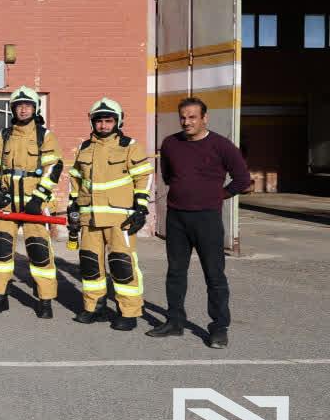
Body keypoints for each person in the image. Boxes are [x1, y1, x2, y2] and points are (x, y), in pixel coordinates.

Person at [147, 96, 251, 348]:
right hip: (177, 217)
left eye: (193, 117)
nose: (187, 122)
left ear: (205, 118)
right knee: (175, 273)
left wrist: (218, 195)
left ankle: (218, 328)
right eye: (183, 117)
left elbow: (242, 179)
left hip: (207, 218)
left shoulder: (221, 145)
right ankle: (174, 322)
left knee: (214, 275)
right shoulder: (170, 144)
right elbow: (169, 176)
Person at [66, 98, 153, 331]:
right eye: (99, 121)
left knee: (122, 265)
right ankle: (95, 307)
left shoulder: (129, 145)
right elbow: (75, 178)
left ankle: (129, 312)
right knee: (90, 264)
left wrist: (141, 207)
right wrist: (73, 204)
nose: (103, 126)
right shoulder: (85, 148)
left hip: (120, 219)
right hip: (89, 218)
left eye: (108, 121)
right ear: (93, 123)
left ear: (117, 121)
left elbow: (143, 176)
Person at [0, 86, 63, 318]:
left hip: (33, 204)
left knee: (39, 251)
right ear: (13, 109)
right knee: (0, 249)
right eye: (19, 105)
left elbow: (53, 167)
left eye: (27, 105)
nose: (23, 109)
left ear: (35, 108)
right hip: (7, 203)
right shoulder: (4, 136)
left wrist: (38, 197)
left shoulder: (44, 135)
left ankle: (45, 301)